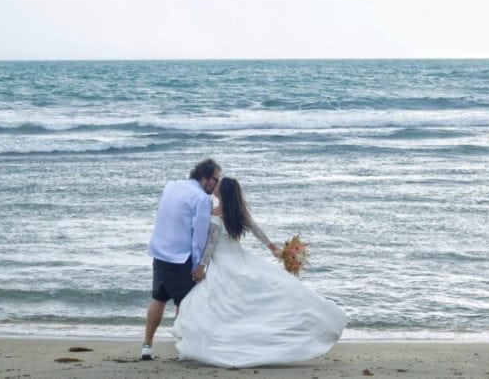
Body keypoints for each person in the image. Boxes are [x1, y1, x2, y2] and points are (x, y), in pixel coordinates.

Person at [171, 177, 347, 368]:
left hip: (223, 264)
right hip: (240, 259)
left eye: (218, 186)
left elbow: (210, 246)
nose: (215, 188)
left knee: (213, 306)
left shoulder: (216, 216)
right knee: (238, 305)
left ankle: (220, 345)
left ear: (222, 193)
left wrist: (201, 267)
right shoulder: (239, 213)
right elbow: (257, 230)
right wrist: (273, 248)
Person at [141, 158, 222, 360]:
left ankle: (147, 346)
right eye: (215, 179)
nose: (216, 184)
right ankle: (181, 350)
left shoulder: (172, 186)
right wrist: (199, 266)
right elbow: (199, 236)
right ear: (204, 178)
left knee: (158, 299)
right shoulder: (202, 199)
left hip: (160, 250)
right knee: (184, 304)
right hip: (181, 256)